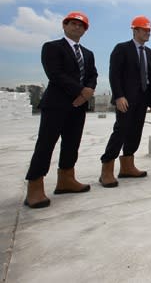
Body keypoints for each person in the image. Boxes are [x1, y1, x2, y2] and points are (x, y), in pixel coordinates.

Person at [23, 11, 97, 208]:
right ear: (64, 26)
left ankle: (66, 179)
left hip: (78, 107)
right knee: (46, 144)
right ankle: (35, 186)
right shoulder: (52, 47)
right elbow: (55, 74)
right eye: (72, 24)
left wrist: (85, 94)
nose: (77, 27)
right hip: (56, 104)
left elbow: (92, 75)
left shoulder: (88, 54)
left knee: (72, 144)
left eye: (81, 26)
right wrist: (81, 91)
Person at [99, 15, 151, 187]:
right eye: (145, 30)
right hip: (126, 99)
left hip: (143, 99)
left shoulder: (150, 53)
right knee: (121, 130)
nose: (148, 33)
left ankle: (127, 166)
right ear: (135, 30)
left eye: (149, 30)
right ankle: (107, 169)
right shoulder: (122, 49)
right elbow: (114, 74)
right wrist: (118, 96)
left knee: (136, 131)